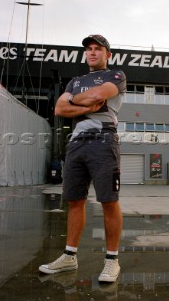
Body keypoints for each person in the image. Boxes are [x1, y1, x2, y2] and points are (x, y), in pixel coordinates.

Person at [39, 34, 126, 283]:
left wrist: (74, 102)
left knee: (109, 201)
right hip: (76, 144)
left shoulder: (115, 76)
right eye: (89, 49)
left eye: (98, 49)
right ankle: (69, 257)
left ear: (107, 54)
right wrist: (87, 105)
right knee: (75, 201)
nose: (92, 52)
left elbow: (103, 93)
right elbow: (59, 109)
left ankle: (112, 261)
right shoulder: (75, 81)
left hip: (104, 141)